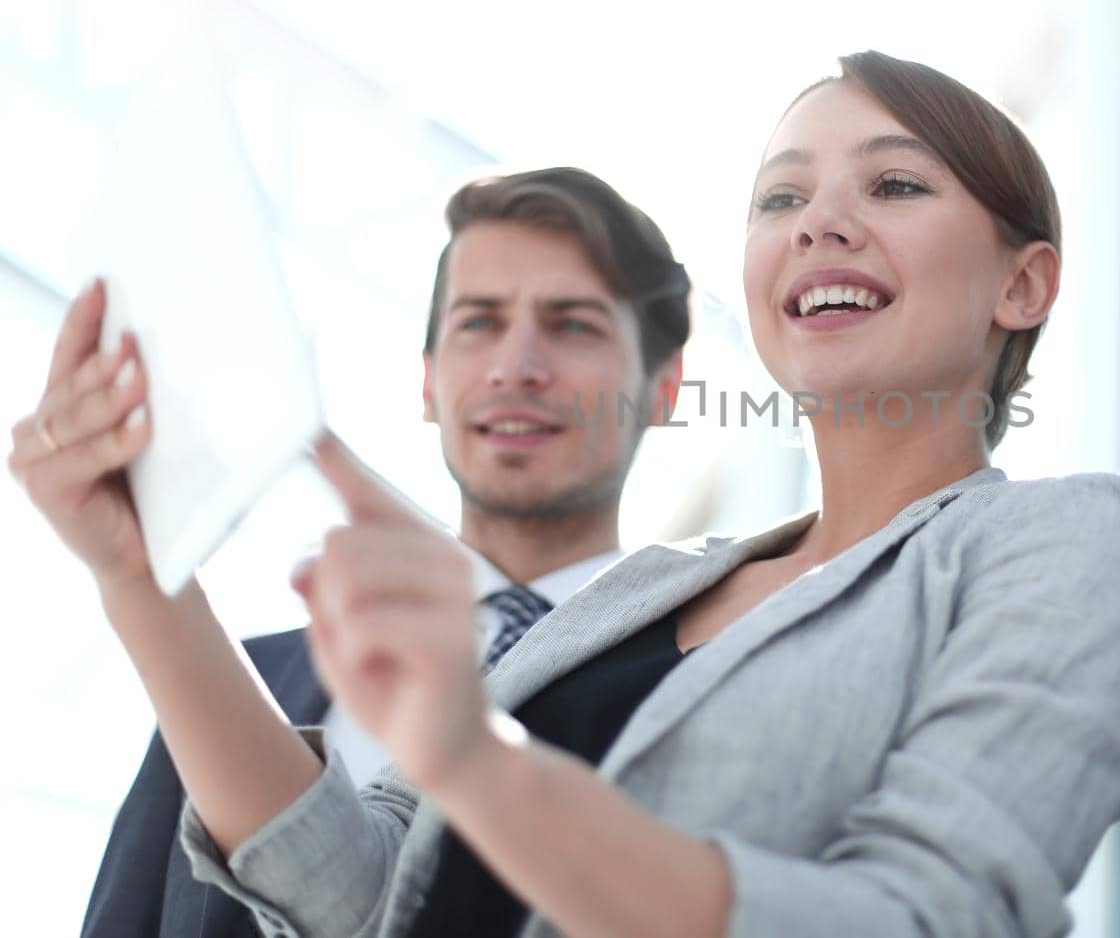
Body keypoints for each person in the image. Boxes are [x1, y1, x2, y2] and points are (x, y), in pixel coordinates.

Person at [13, 51, 1120, 937]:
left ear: (1023, 284)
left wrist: (478, 756)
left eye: (892, 183)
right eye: (780, 199)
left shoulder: (1063, 539)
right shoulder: (643, 591)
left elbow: (922, 918)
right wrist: (135, 576)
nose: (820, 220)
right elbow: (362, 902)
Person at [65, 166, 691, 938]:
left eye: (573, 325)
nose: (515, 365)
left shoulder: (704, 690)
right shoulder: (232, 682)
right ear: (428, 383)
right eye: (478, 322)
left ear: (665, 390)